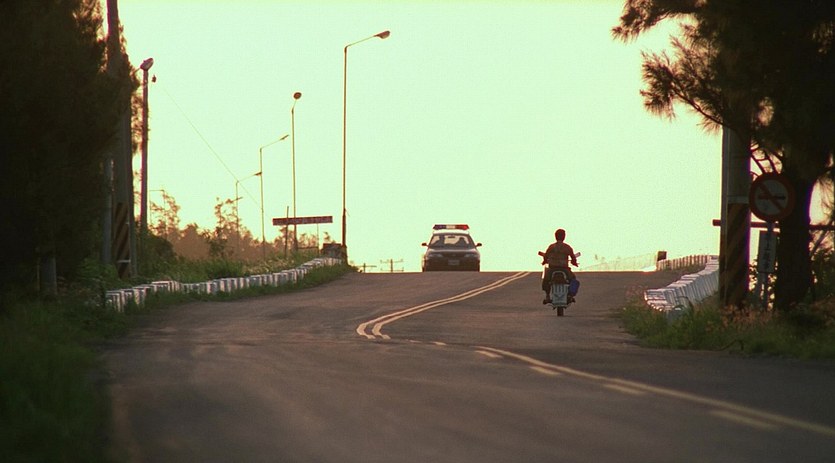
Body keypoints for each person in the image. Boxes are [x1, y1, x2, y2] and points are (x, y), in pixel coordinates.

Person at [541, 228, 579, 304]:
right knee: (573, 279)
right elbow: (573, 257)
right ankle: (570, 295)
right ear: (564, 237)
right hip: (564, 269)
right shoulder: (567, 247)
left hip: (552, 269)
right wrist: (574, 263)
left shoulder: (551, 247)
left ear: (555, 236)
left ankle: (547, 295)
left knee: (546, 280)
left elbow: (546, 256)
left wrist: (544, 261)